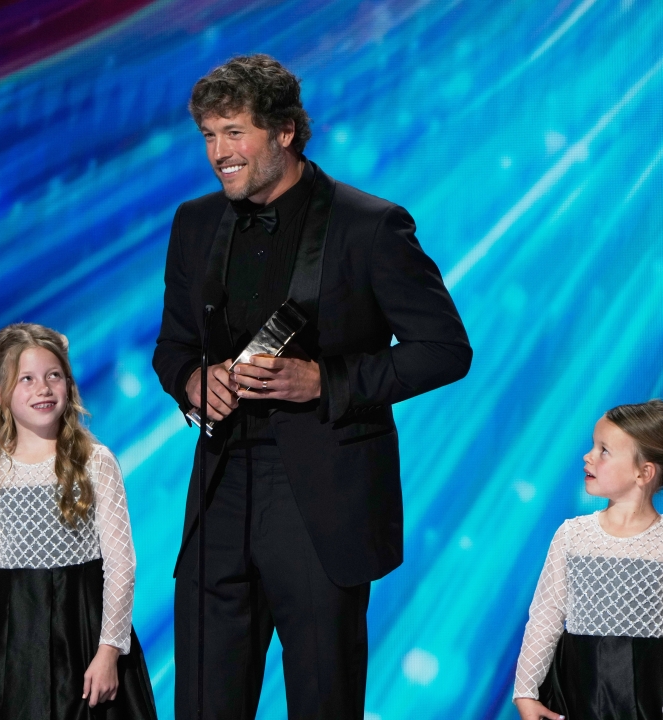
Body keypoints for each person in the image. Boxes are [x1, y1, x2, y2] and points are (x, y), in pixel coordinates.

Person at [152, 54, 471, 719]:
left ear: (285, 132)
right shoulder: (194, 223)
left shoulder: (369, 225)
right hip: (219, 491)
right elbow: (173, 347)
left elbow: (444, 350)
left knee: (322, 700)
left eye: (234, 132)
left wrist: (325, 382)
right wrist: (191, 381)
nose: (219, 153)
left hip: (322, 493)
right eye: (208, 136)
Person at [0, 323, 157, 720]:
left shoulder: (95, 462)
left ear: (69, 383)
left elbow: (121, 564)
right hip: (9, 644)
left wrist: (109, 650)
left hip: (83, 636)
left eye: (53, 376)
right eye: (26, 379)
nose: (42, 388)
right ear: (0, 393)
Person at [513, 400, 663, 720]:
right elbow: (545, 618)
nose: (588, 455)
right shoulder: (571, 535)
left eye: (604, 450)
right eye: (593, 445)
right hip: (573, 693)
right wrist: (525, 690)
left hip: (645, 701)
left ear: (643, 472)